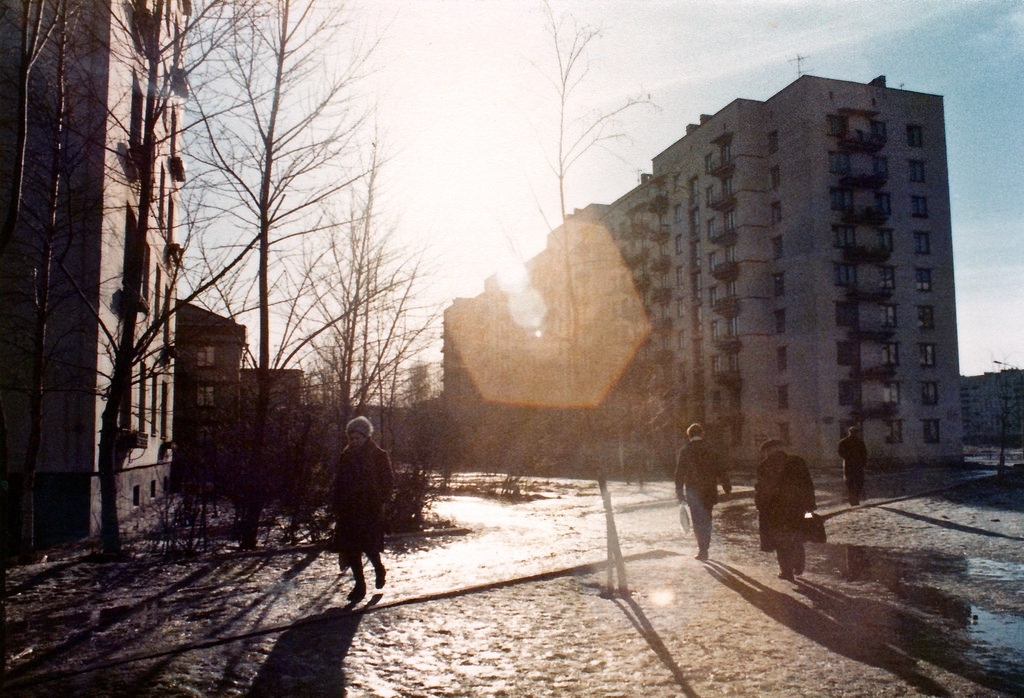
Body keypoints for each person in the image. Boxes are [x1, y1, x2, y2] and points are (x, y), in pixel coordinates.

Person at [332, 416, 395, 603]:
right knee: (351, 550)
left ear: (366, 437)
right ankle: (360, 586)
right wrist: (336, 503)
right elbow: (340, 482)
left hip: (370, 510)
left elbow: (388, 481)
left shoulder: (379, 455)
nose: (354, 441)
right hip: (349, 510)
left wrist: (380, 501)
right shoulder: (346, 455)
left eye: (358, 437)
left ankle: (379, 568)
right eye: (351, 438)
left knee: (369, 547)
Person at [754, 439, 816, 581]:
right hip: (797, 507)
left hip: (775, 511)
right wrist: (810, 505)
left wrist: (760, 506)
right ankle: (799, 565)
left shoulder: (764, 466)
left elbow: (761, 490)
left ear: (768, 451)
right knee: (796, 537)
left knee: (780, 541)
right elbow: (808, 484)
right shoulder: (797, 462)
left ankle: (786, 571)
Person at [674, 423, 731, 561]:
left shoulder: (685, 450)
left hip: (693, 491)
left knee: (697, 520)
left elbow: (679, 473)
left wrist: (679, 492)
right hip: (709, 490)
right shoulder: (711, 449)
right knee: (707, 518)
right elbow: (721, 470)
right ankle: (706, 546)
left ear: (689, 435)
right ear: (702, 434)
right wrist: (727, 488)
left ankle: (702, 549)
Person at [837, 426, 868, 506]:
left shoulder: (844, 442)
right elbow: (864, 454)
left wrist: (846, 457)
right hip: (856, 464)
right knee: (857, 481)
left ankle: (853, 498)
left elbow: (840, 452)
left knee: (851, 481)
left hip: (850, 464)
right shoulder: (859, 442)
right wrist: (863, 463)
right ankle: (855, 497)